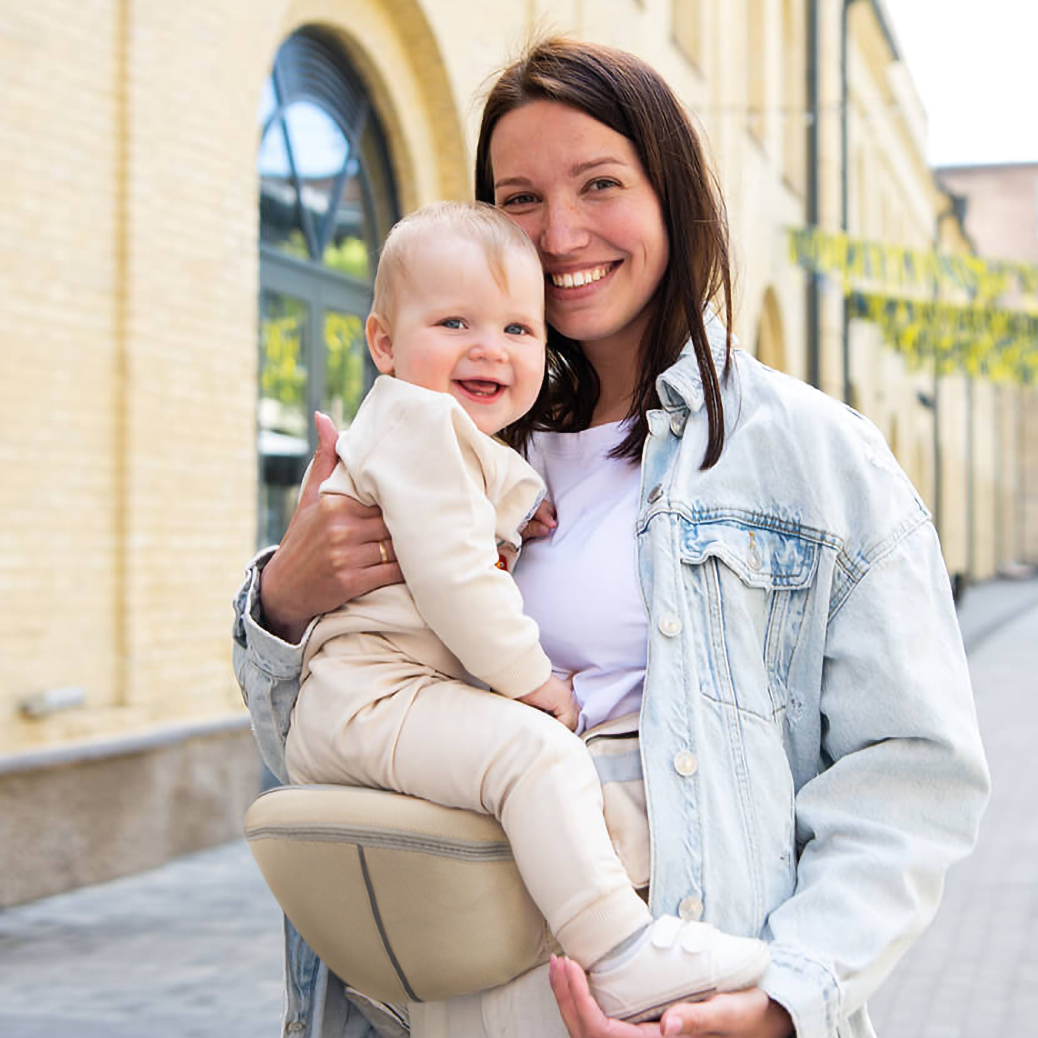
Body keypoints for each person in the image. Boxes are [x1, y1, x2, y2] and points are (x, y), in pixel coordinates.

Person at [233, 37, 990, 1038]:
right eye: (518, 199)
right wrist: (285, 601)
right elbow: (319, 738)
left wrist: (782, 1000)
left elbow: (911, 775)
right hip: (439, 1005)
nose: (558, 234)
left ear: (671, 195)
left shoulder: (813, 457)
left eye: (599, 184)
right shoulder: (447, 436)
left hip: (682, 1008)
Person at [284, 199, 770, 1022]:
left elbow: (466, 523)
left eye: (519, 329)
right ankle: (619, 950)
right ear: (383, 344)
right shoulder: (419, 421)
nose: (490, 347)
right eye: (454, 322)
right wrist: (532, 679)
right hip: (371, 698)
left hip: (383, 700)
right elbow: (455, 580)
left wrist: (516, 508)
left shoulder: (455, 439)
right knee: (537, 754)